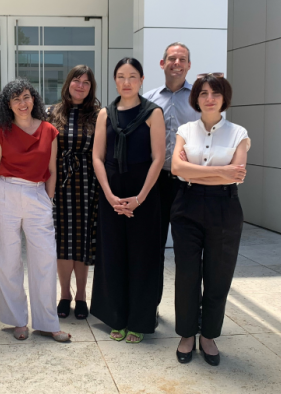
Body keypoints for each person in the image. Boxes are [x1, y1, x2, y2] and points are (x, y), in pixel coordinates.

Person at [171, 73, 249, 366]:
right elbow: (177, 168)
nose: (209, 98)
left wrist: (195, 171)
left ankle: (209, 336)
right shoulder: (185, 130)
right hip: (186, 206)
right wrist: (220, 172)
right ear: (196, 98)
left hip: (225, 208)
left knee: (218, 276)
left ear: (224, 98)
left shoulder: (239, 133)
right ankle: (187, 334)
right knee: (187, 274)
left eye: (215, 93)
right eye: (203, 93)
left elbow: (238, 174)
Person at [0, 78, 71, 342]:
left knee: (45, 259)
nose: (22, 103)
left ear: (33, 98)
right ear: (7, 105)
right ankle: (17, 320)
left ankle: (47, 322)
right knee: (7, 260)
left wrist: (47, 199)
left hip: (37, 195)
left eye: (26, 97)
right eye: (15, 99)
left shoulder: (49, 130)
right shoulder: (0, 131)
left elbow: (53, 170)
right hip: (5, 194)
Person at [90, 58, 165, 344]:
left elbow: (158, 158)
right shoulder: (105, 114)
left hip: (143, 194)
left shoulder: (152, 112)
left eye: (132, 76)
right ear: (115, 80)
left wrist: (140, 198)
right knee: (112, 256)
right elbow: (97, 156)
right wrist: (109, 195)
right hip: (111, 194)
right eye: (121, 76)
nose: (126, 82)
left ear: (142, 80)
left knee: (142, 257)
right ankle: (116, 318)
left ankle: (139, 320)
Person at [143, 43, 200, 305]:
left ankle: (190, 315)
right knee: (152, 249)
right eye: (172, 58)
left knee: (188, 252)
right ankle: (150, 309)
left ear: (189, 65)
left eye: (182, 59)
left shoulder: (200, 99)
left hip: (190, 186)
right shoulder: (150, 99)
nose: (177, 63)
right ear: (162, 63)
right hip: (157, 183)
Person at [46, 65, 100, 320]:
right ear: (68, 83)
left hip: (88, 184)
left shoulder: (99, 115)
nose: (80, 86)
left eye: (86, 82)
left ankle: (81, 296)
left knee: (82, 242)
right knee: (62, 243)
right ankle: (64, 294)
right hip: (59, 184)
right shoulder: (51, 113)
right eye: (76, 81)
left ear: (91, 88)